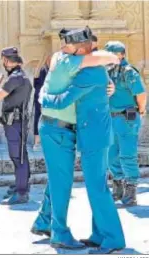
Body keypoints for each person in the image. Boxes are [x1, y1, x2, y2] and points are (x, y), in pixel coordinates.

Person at [31, 27, 120, 251]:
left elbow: (110, 57)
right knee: (64, 180)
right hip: (61, 129)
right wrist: (44, 97)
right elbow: (108, 58)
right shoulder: (66, 61)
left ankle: (108, 236)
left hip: (85, 134)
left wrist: (44, 97)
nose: (61, 48)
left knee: (78, 183)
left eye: (67, 44)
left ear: (81, 49)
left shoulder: (89, 70)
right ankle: (61, 231)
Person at [105, 41, 147, 206]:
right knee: (111, 153)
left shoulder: (129, 72)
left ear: (121, 54)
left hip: (126, 119)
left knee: (127, 154)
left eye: (111, 54)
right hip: (111, 118)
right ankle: (118, 186)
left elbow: (141, 94)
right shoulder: (108, 71)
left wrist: (141, 111)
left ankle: (130, 190)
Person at [0, 47, 32, 205]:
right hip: (17, 122)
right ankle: (21, 185)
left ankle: (21, 192)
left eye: (4, 60)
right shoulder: (20, 76)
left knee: (18, 157)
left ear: (8, 61)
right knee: (20, 155)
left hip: (15, 123)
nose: (3, 63)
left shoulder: (15, 78)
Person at [33, 55, 51, 150]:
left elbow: (35, 84)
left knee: (37, 117)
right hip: (42, 97)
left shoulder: (38, 70)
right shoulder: (45, 70)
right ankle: (39, 143)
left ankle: (37, 142)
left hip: (38, 96)